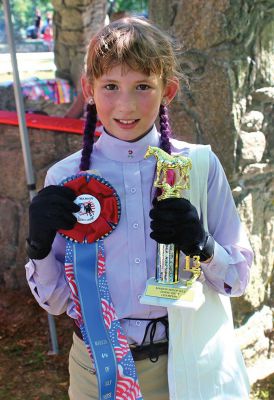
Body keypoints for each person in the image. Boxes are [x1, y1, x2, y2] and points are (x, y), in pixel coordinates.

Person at [25, 17, 253, 400]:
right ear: (89, 90)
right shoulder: (65, 177)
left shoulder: (198, 166)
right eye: (111, 86)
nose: (126, 105)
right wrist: (39, 247)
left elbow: (237, 280)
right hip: (95, 368)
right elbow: (58, 301)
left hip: (184, 367)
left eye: (143, 86)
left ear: (169, 91)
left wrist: (205, 246)